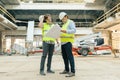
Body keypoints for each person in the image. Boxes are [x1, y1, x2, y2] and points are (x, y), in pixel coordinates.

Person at [59, 12, 76, 77]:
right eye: (62, 20)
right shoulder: (64, 25)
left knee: (70, 57)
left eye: (63, 19)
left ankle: (72, 71)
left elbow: (74, 30)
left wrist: (65, 31)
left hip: (68, 42)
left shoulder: (70, 22)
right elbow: (63, 33)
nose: (62, 20)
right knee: (65, 57)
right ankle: (66, 69)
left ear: (66, 17)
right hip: (63, 43)